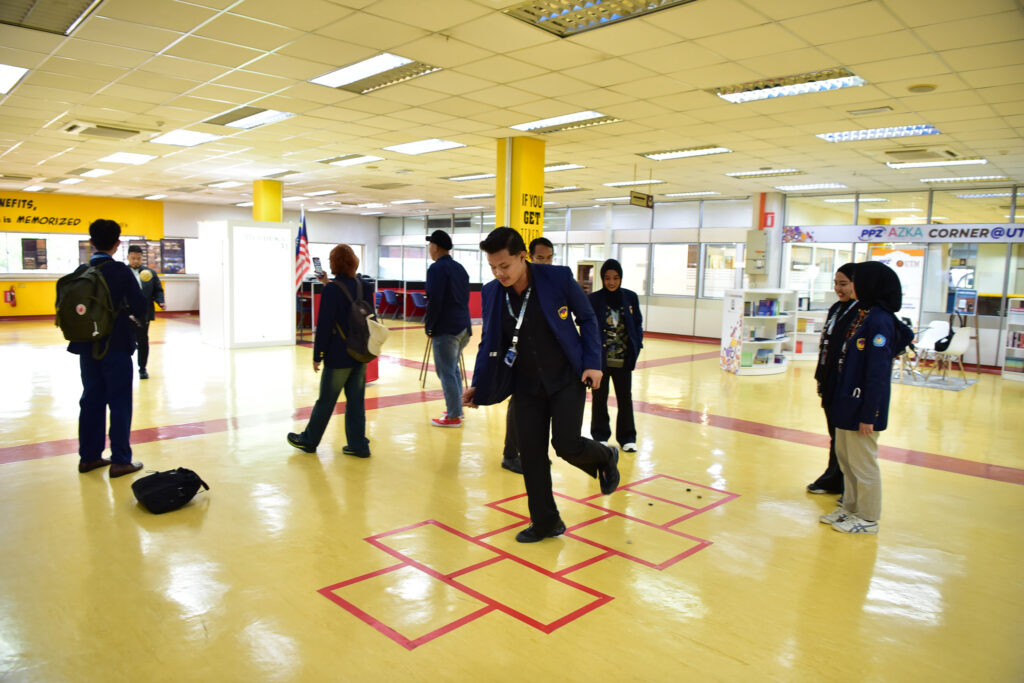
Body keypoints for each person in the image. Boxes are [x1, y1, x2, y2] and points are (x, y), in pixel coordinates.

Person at [463, 227, 620, 543]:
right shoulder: (493, 292)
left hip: (565, 378)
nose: (499, 273)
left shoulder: (557, 278)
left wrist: (593, 362)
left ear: (522, 257)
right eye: (493, 267)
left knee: (566, 445)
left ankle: (605, 456)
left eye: (504, 265)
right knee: (532, 455)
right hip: (525, 384)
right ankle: (547, 521)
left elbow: (587, 318)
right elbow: (488, 341)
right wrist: (479, 384)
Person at [819, 261, 913, 534]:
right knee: (846, 459)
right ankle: (849, 507)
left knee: (863, 463)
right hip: (846, 401)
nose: (851, 286)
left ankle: (868, 518)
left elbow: (877, 373)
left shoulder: (879, 320)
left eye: (856, 281)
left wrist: (869, 414)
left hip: (862, 405)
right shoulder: (862, 313)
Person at [70, 219, 147, 478]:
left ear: (91, 242)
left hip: (86, 346)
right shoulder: (120, 271)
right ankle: (121, 460)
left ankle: (89, 457)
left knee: (91, 399)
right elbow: (140, 306)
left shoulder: (81, 271)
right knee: (120, 401)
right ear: (117, 243)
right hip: (116, 345)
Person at [287, 244, 373, 458]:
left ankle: (309, 440)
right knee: (356, 401)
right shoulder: (364, 286)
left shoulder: (332, 291)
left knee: (326, 400)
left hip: (338, 355)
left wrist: (318, 355)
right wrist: (327, 283)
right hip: (361, 352)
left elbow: (325, 326)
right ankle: (358, 445)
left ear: (334, 264)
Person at [500, 236, 556, 474]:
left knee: (541, 409)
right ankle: (510, 454)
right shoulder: (518, 282)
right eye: (540, 258)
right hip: (520, 357)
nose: (545, 263)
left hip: (545, 359)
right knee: (518, 406)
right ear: (529, 257)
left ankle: (534, 454)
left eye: (549, 258)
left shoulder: (553, 283)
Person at [808, 263, 858, 495]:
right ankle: (833, 478)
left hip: (846, 384)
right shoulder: (837, 308)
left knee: (847, 439)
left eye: (844, 284)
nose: (838, 288)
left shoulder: (864, 312)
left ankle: (847, 485)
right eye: (836, 283)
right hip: (829, 380)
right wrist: (821, 377)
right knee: (835, 435)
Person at [588, 259, 643, 452]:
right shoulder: (594, 299)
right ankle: (600, 435)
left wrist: (638, 344)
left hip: (623, 359)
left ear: (621, 278)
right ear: (602, 279)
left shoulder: (630, 297)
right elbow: (587, 326)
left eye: (616, 278)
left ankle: (627, 437)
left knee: (625, 399)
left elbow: (637, 323)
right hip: (600, 361)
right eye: (607, 278)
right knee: (599, 399)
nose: (611, 282)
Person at [424, 229, 472, 428]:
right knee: (452, 369)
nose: (429, 249)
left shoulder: (436, 269)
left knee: (446, 372)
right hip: (463, 326)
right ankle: (456, 409)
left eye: (430, 245)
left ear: (435, 247)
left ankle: (453, 416)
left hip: (446, 328)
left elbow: (435, 300)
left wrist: (429, 327)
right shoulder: (460, 268)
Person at [126, 245, 164, 380]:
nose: (136, 261)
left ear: (142, 258)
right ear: (128, 257)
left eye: (138, 258)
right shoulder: (123, 272)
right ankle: (125, 368)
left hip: (143, 312)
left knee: (142, 341)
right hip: (125, 313)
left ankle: (142, 368)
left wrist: (160, 301)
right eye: (133, 258)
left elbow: (158, 290)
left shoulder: (150, 273)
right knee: (125, 341)